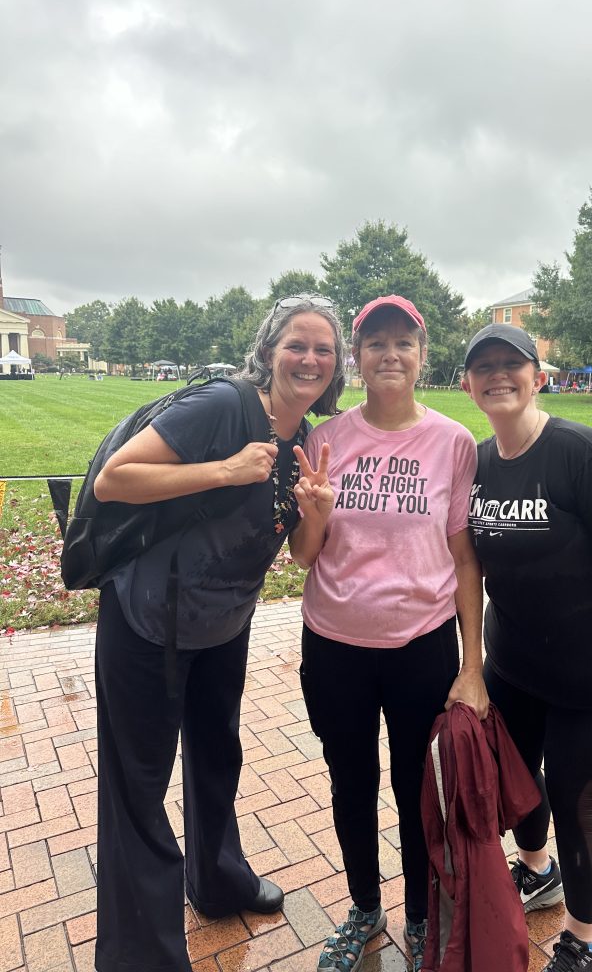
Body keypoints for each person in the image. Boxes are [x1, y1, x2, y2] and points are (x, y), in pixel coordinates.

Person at [91, 296, 345, 972]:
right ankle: (139, 956)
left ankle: (218, 878)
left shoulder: (305, 442)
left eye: (324, 349)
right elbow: (115, 481)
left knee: (215, 756)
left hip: (224, 622)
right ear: (269, 350)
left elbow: (299, 554)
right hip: (148, 622)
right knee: (138, 786)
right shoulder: (221, 407)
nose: (310, 358)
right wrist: (226, 470)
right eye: (298, 343)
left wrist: (314, 513)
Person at [461, 324, 592, 972]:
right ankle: (535, 870)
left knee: (578, 805)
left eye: (512, 364)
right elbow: (464, 565)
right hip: (514, 669)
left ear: (539, 375)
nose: (499, 375)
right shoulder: (473, 463)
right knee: (517, 783)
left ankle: (583, 938)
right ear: (468, 384)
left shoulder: (583, 455)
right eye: (484, 367)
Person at [289, 295, 488, 972]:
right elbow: (304, 555)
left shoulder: (452, 442)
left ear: (422, 355)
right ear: (357, 358)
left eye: (404, 343)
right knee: (350, 781)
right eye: (375, 344)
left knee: (417, 789)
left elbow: (465, 559)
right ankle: (365, 906)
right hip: (335, 644)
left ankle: (423, 915)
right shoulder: (327, 438)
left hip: (422, 648)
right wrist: (313, 514)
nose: (390, 355)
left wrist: (472, 664)